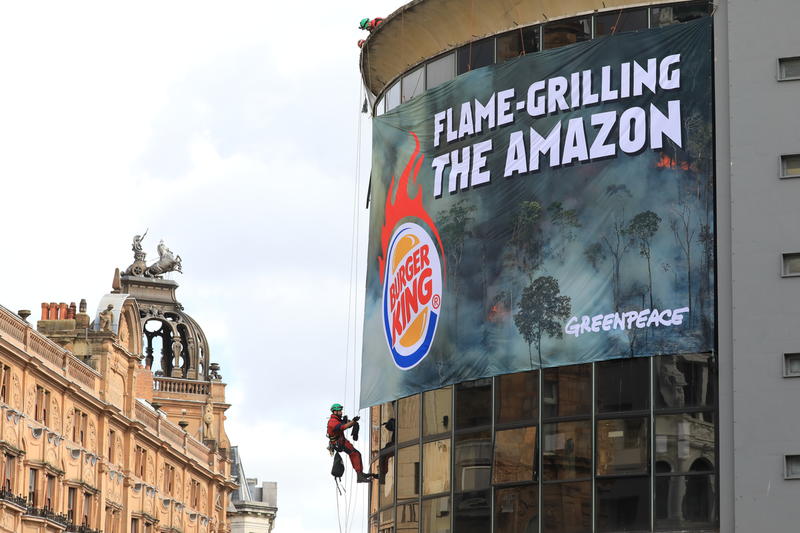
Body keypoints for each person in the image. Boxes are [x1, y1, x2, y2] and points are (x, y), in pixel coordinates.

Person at [327, 403, 375, 482]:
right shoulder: (332, 422)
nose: (341, 412)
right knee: (355, 454)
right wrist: (352, 422)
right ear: (335, 412)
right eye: (339, 411)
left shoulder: (337, 420)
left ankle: (360, 474)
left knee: (356, 454)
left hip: (341, 441)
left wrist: (353, 423)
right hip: (339, 443)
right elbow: (343, 427)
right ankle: (359, 476)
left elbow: (345, 424)